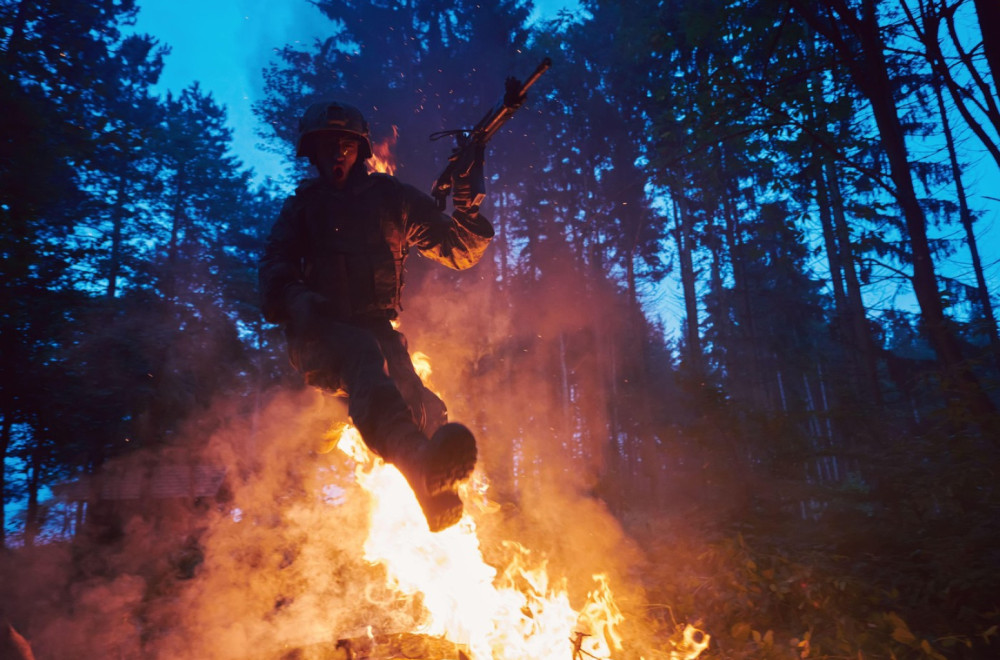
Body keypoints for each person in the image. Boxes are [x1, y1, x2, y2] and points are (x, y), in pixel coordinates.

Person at [259, 100, 493, 532]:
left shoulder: (394, 203)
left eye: (344, 144)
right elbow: (272, 273)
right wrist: (296, 298)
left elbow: (459, 250)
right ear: (310, 154)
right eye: (324, 146)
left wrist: (469, 206)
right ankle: (418, 463)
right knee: (364, 358)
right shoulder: (302, 212)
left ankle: (435, 497)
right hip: (320, 336)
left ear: (361, 148)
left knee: (424, 407)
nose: (335, 154)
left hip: (376, 331)